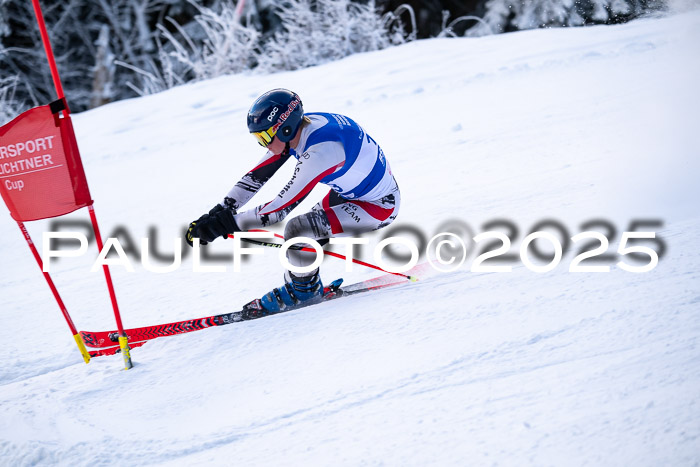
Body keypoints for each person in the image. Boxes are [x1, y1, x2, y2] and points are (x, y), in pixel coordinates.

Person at [186, 89, 400, 317]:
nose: (264, 145)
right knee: (305, 236)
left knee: (299, 230)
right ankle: (302, 284)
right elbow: (257, 175)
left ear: (285, 128)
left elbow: (278, 210)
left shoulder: (320, 152)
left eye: (264, 137)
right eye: (258, 139)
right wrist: (221, 210)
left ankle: (303, 293)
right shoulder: (304, 127)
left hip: (378, 206)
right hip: (351, 192)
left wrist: (222, 225)